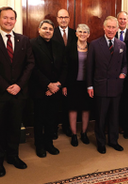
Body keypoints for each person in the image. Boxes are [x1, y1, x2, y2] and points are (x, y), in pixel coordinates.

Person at [0, 6, 35, 177]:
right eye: (5, 18)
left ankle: (13, 156)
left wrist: (19, 85)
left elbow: (30, 64)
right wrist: (6, 86)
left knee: (14, 127)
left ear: (15, 21)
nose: (9, 21)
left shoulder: (24, 40)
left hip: (19, 94)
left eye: (12, 18)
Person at [87, 16, 127, 154]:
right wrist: (89, 86)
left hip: (116, 86)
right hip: (101, 86)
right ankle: (101, 142)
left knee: (114, 117)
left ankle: (113, 141)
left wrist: (123, 73)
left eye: (113, 27)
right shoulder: (94, 44)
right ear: (104, 28)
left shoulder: (122, 45)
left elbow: (125, 64)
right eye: (108, 27)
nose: (111, 30)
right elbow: (89, 67)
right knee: (101, 117)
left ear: (117, 29)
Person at [30, 19, 67, 158]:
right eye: (45, 28)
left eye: (50, 29)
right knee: (39, 119)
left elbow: (65, 66)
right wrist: (48, 84)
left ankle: (49, 143)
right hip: (40, 89)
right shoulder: (32, 44)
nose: (48, 31)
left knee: (52, 119)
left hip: (55, 90)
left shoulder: (58, 44)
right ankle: (39, 145)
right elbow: (32, 67)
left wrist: (58, 85)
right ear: (39, 30)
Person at [62, 24, 92, 147]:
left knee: (86, 109)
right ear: (76, 33)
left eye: (85, 32)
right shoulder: (69, 48)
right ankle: (74, 134)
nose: (82, 34)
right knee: (73, 109)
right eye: (80, 31)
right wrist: (64, 85)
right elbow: (65, 67)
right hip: (72, 83)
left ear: (88, 34)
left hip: (87, 84)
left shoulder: (92, 48)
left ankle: (84, 133)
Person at [52, 8, 77, 138]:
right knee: (55, 105)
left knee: (69, 104)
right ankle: (54, 128)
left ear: (69, 18)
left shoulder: (75, 33)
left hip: (72, 76)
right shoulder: (52, 32)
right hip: (56, 76)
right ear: (57, 19)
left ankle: (67, 127)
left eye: (66, 17)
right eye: (61, 17)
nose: (63, 20)